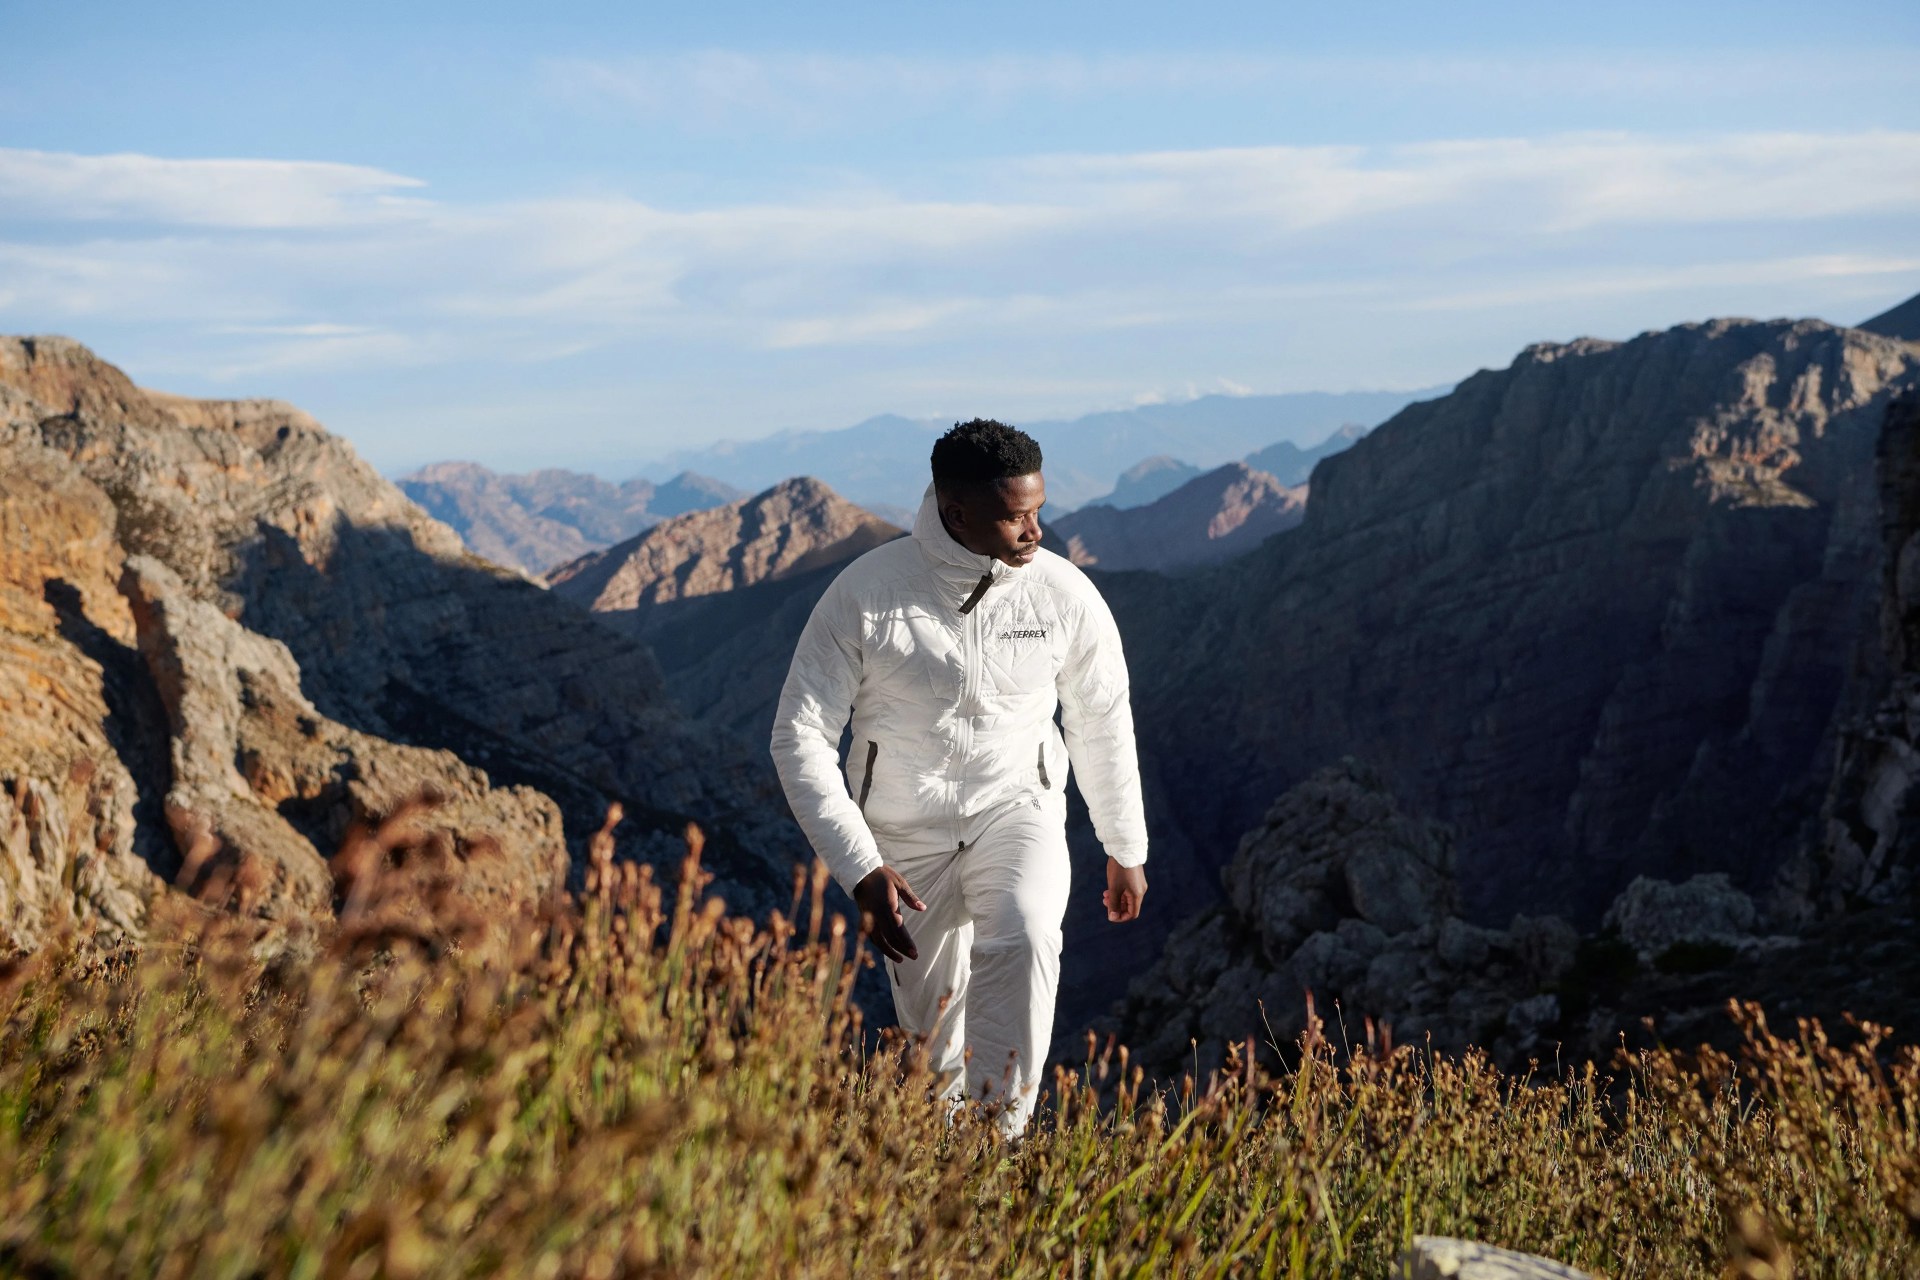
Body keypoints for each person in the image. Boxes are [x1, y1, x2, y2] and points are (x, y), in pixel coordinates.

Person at [770, 418, 1148, 1135]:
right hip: (903, 835)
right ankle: (946, 1167)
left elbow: (1101, 719)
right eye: (1015, 517)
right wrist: (860, 866)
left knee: (1027, 936)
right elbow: (800, 735)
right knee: (933, 1034)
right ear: (957, 513)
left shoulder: (1062, 594)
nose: (1035, 531)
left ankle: (999, 1143)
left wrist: (1124, 846)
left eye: (1038, 510)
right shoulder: (866, 595)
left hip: (1017, 806)